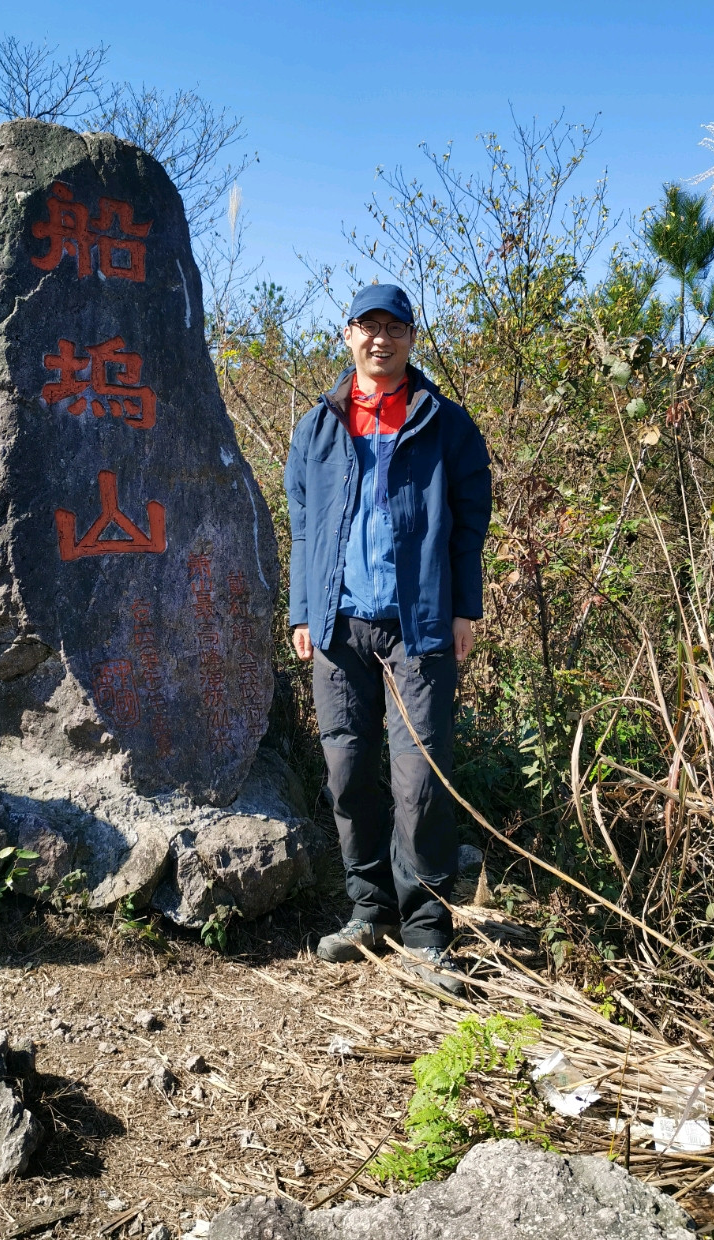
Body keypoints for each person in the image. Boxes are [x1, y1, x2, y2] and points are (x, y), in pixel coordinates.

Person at [283, 283, 491, 995]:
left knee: (421, 781)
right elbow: (304, 525)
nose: (381, 339)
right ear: (348, 336)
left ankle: (428, 934)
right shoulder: (319, 426)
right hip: (340, 625)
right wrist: (303, 610)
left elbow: (470, 524)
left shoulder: (446, 425)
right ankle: (368, 909)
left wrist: (465, 607)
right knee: (346, 773)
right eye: (368, 327)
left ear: (411, 337)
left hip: (421, 626)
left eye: (394, 327)